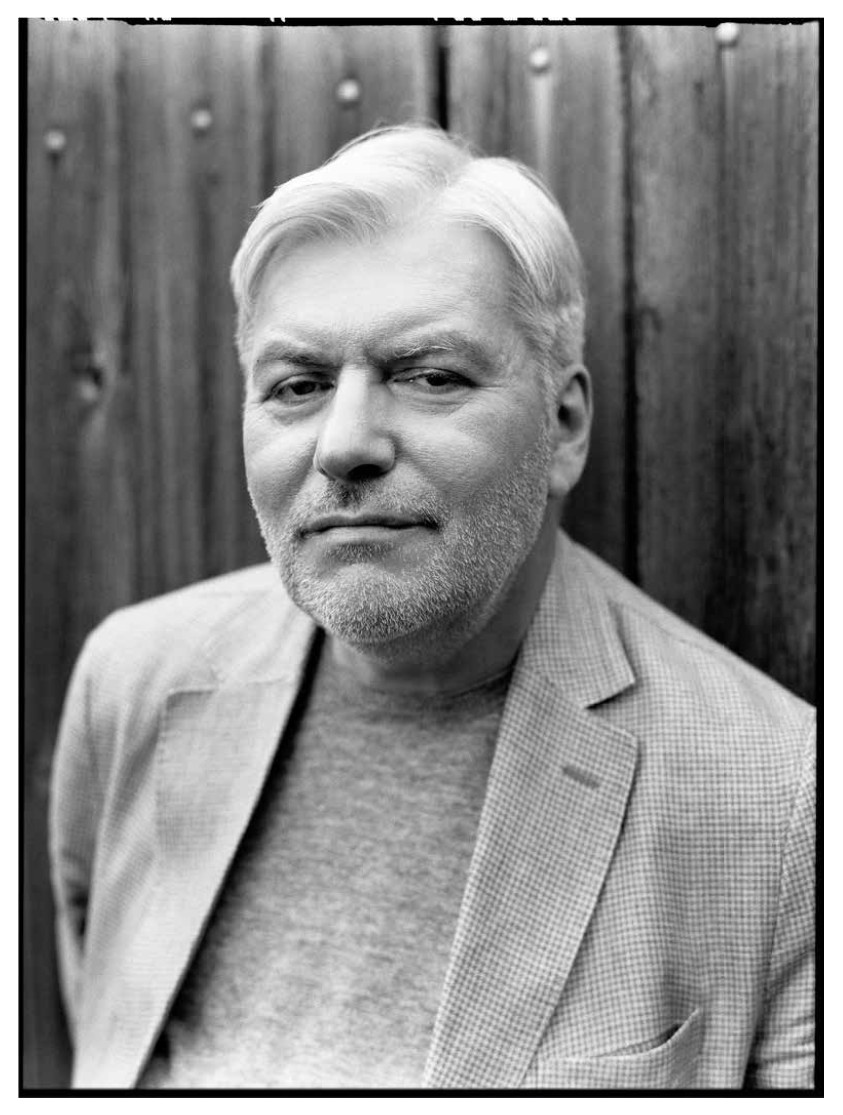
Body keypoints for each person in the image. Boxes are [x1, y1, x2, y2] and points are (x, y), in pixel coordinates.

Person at [49, 125, 815, 1091]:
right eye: (297, 385)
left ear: (563, 427)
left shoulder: (777, 798)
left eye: (430, 376)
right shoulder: (132, 680)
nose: (344, 444)